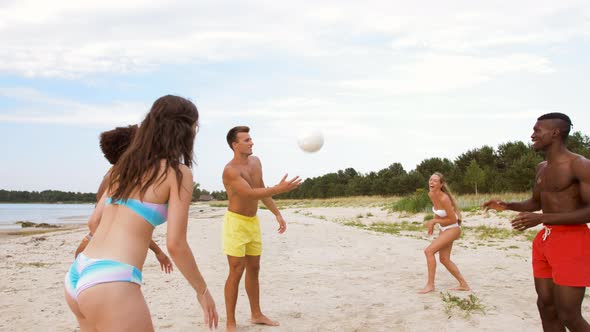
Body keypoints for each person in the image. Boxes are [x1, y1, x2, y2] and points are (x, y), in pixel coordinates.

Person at [64, 95, 218, 331]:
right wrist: (202, 290)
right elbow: (176, 244)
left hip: (79, 272)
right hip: (111, 279)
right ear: (183, 130)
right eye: (195, 127)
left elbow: (94, 221)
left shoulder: (123, 166)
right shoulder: (177, 173)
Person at [483, 112, 590, 331]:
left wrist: (541, 218)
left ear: (555, 132)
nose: (532, 135)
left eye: (537, 130)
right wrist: (508, 205)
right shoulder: (541, 167)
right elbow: (535, 202)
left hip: (572, 241)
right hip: (545, 240)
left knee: (569, 314)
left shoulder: (579, 165)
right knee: (546, 306)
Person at [222, 126, 301, 331]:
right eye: (246, 140)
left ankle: (256, 314)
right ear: (235, 145)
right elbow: (248, 194)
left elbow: (261, 188)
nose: (251, 143)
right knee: (236, 270)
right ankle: (230, 321)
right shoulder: (230, 171)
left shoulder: (256, 162)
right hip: (236, 224)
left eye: (251, 139)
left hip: (252, 222)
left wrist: (276, 212)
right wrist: (279, 188)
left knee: (254, 269)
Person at [74, 126, 173, 274]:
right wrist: (158, 251)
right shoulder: (115, 178)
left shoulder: (122, 177)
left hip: (97, 249)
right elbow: (98, 224)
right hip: (99, 251)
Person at [418, 172, 470, 294]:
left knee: (428, 251)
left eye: (435, 180)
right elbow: (437, 210)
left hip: (453, 228)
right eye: (430, 180)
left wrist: (434, 221)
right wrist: (435, 224)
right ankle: (464, 284)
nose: (431, 182)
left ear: (441, 184)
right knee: (444, 259)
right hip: (444, 229)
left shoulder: (444, 198)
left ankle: (430, 285)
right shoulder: (431, 194)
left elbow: (453, 219)